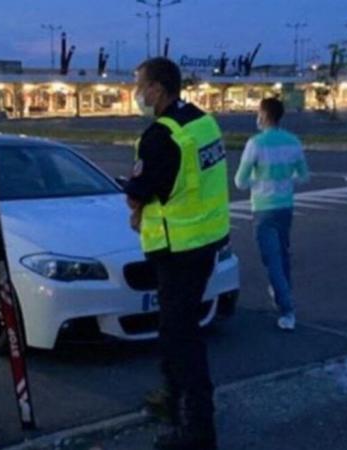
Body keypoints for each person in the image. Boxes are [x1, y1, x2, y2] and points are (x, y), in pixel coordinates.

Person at [125, 57, 230, 450]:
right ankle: (173, 401)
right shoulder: (203, 121)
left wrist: (136, 210)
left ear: (157, 88)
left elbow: (138, 190)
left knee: (182, 339)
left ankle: (199, 430)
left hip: (178, 249)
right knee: (174, 332)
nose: (136, 93)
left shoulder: (160, 136)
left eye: (139, 84)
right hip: (206, 240)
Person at [234, 98, 309, 331]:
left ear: (264, 115)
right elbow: (304, 175)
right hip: (285, 207)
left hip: (263, 207)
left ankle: (287, 309)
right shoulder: (293, 142)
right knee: (283, 255)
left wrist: (259, 180)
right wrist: (284, 179)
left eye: (258, 112)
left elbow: (240, 181)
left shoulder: (256, 144)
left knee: (272, 260)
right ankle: (282, 293)